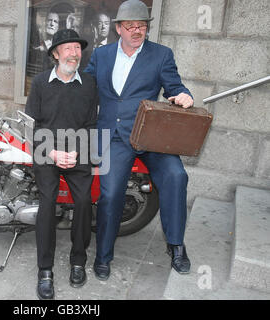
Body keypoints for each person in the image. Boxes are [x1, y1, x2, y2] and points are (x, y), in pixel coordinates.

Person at [84, 0, 194, 281]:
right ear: (118, 28)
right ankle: (103, 255)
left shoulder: (161, 55)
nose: (137, 31)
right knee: (110, 194)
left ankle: (176, 245)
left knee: (176, 176)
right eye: (131, 26)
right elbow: (84, 88)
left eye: (142, 26)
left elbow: (174, 86)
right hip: (114, 137)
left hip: (149, 134)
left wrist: (183, 95)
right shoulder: (102, 55)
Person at [25, 29, 98, 300]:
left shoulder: (89, 83)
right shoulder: (41, 83)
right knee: (48, 204)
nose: (74, 53)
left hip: (78, 151)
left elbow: (91, 125)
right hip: (47, 151)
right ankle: (45, 270)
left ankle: (78, 261)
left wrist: (77, 153)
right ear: (55, 54)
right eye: (67, 48)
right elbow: (30, 127)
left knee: (83, 202)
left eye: (77, 48)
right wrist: (53, 153)